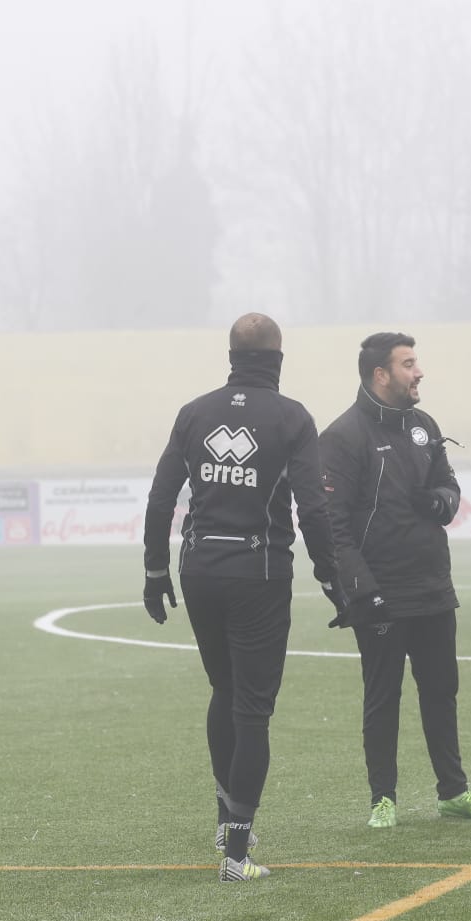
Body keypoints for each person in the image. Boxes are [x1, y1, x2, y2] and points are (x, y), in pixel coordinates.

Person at [142, 312, 347, 883]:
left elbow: (162, 497)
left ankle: (224, 817)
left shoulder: (195, 413)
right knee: (253, 707)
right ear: (277, 359)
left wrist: (155, 568)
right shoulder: (291, 418)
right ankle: (236, 853)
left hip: (199, 569)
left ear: (231, 355)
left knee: (224, 690)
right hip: (258, 573)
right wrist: (333, 581)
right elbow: (313, 508)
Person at [318, 332, 471, 829]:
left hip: (432, 587)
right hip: (380, 593)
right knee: (383, 697)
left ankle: (454, 793)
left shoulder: (424, 426)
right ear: (381, 374)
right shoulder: (343, 436)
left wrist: (443, 501)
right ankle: (384, 799)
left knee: (441, 691)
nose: (418, 372)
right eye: (408, 364)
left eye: (416, 362)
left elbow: (448, 483)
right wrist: (362, 589)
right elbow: (331, 525)